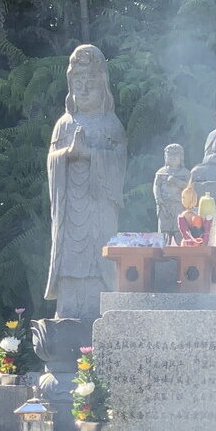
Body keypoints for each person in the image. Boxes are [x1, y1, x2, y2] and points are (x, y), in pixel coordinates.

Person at [45, 44, 127, 320]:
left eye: (90, 81)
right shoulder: (64, 124)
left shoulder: (111, 124)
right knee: (70, 260)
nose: (83, 87)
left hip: (98, 209)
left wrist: (90, 154)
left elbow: (118, 164)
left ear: (102, 84)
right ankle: (66, 311)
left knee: (97, 258)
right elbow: (52, 162)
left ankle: (97, 311)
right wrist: (67, 154)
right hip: (70, 208)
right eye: (77, 81)